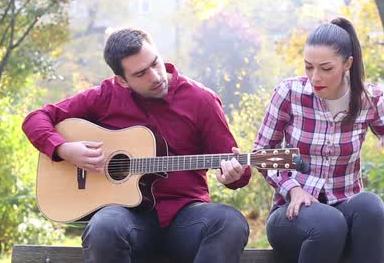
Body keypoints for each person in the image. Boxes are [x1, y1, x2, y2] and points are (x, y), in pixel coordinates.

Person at [22, 28, 252, 263]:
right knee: (104, 226)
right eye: (141, 73)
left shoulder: (201, 100)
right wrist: (65, 150)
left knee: (229, 221)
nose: (155, 76)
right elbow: (36, 119)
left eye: (155, 63)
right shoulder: (105, 96)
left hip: (187, 217)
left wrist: (234, 174)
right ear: (122, 80)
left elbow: (238, 171)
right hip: (129, 219)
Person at [254, 17, 384, 263]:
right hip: (292, 214)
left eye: (325, 68)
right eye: (309, 67)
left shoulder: (368, 98)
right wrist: (293, 190)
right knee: (329, 223)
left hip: (343, 206)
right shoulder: (289, 93)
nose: (315, 77)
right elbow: (262, 153)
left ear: (347, 64)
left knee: (371, 206)